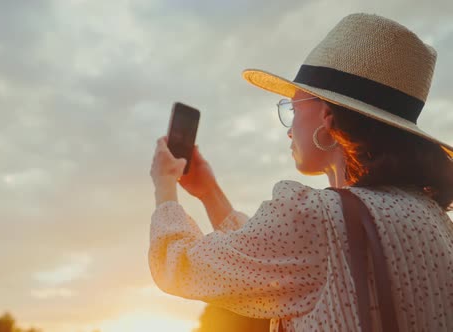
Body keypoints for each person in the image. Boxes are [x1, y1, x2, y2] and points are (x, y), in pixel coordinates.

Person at [148, 13, 453, 332]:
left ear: (326, 116)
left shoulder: (315, 218)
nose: (290, 128)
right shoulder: (433, 222)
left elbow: (179, 266)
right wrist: (209, 193)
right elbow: (280, 255)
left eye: (293, 107)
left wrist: (165, 183)